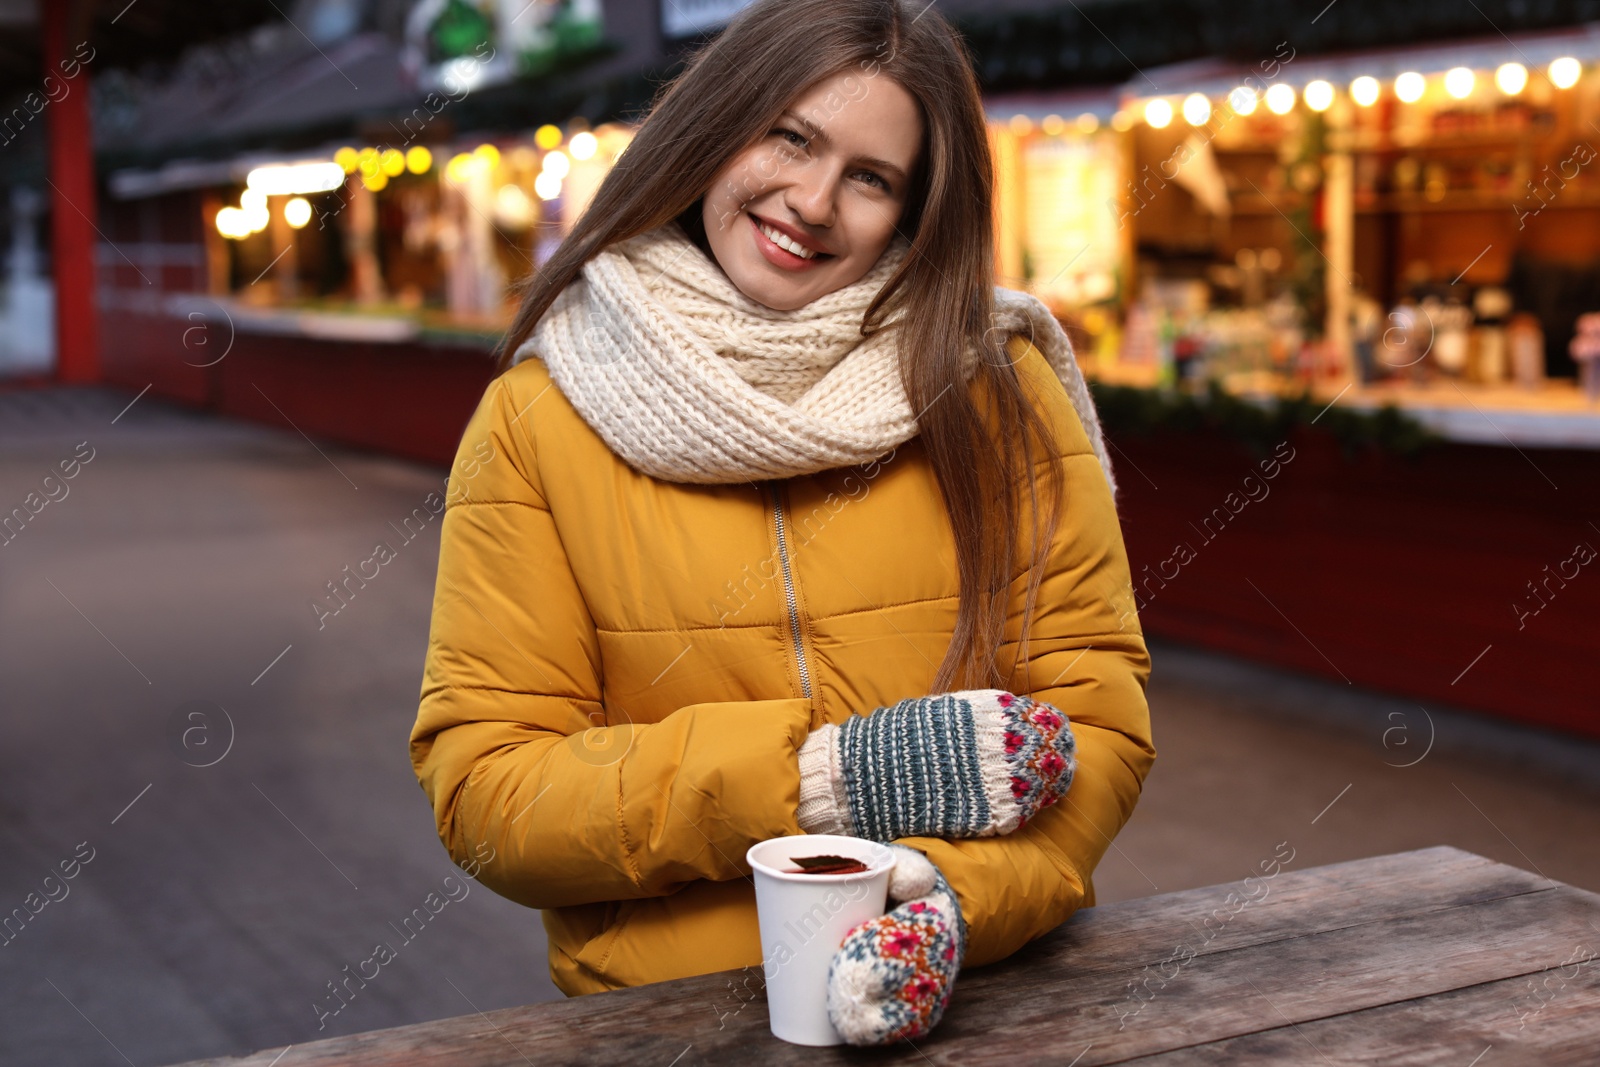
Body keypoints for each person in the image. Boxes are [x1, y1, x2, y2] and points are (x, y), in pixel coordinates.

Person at [408, 0, 1154, 1046]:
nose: (811, 200)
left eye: (871, 177)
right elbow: (488, 794)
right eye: (790, 136)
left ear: (914, 212)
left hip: (981, 1005)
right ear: (713, 128)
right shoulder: (540, 418)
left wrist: (948, 901)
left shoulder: (996, 389)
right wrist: (814, 783)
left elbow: (1096, 722)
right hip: (670, 1026)